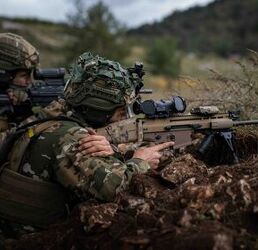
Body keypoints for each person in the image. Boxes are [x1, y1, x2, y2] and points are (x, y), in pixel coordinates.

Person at [0, 52, 173, 240]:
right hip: (31, 241)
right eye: (121, 111)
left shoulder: (50, 121)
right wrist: (141, 161)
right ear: (99, 110)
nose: (125, 118)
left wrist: (115, 151)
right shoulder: (71, 138)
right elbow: (116, 189)